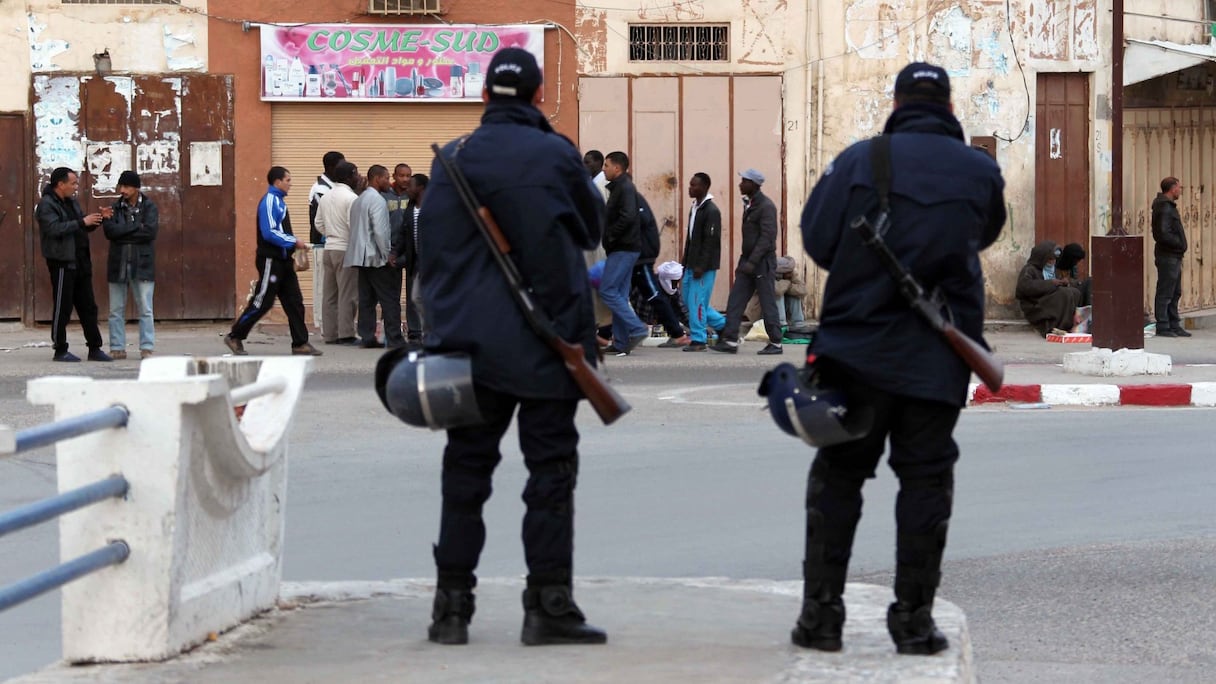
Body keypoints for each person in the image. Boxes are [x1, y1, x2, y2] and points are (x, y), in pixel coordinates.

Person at [796, 62, 1005, 655]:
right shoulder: (980, 170)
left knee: (838, 481)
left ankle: (821, 618)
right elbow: (985, 234)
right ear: (949, 107)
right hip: (936, 359)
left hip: (854, 353)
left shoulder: (862, 159)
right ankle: (913, 622)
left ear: (897, 102)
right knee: (926, 488)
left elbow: (816, 240)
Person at [418, 47, 606, 646]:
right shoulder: (555, 154)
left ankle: (451, 611)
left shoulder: (452, 160)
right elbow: (591, 229)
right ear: (535, 94)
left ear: (482, 96)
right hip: (547, 344)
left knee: (464, 474)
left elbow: (433, 257)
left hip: (466, 350)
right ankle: (548, 606)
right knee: (549, 474)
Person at [225, 166, 322, 357]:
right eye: (288, 180)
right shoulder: (269, 201)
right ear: (277, 182)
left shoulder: (279, 202)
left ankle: (300, 343)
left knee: (295, 302)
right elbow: (269, 232)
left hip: (284, 260)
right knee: (262, 301)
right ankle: (235, 336)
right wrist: (294, 241)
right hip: (271, 260)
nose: (291, 183)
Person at [36, 167, 111, 362]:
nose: (75, 187)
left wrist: (97, 220)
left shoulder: (71, 202)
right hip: (62, 262)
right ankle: (60, 349)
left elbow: (81, 226)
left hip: (81, 262)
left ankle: (95, 348)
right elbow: (53, 229)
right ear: (60, 184)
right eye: (73, 183)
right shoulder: (47, 204)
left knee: (88, 307)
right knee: (63, 307)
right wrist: (81, 222)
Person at [710, 168, 783, 355]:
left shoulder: (766, 206)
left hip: (762, 263)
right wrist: (745, 263)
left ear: (754, 185)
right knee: (736, 300)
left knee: (767, 303)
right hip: (747, 261)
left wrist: (753, 261)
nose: (740, 184)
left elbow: (767, 238)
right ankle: (731, 340)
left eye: (744, 181)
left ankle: (776, 343)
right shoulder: (749, 204)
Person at [346, 164, 405, 349]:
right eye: (387, 178)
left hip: (361, 258)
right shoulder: (378, 200)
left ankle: (367, 337)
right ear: (377, 178)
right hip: (376, 257)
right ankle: (395, 339)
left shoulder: (359, 199)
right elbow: (380, 231)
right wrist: (387, 254)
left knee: (367, 299)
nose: (389, 181)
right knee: (389, 299)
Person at [102, 170, 158, 359]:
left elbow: (150, 233)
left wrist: (122, 232)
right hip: (118, 263)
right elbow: (110, 232)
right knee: (115, 309)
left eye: (126, 186)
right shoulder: (115, 207)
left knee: (145, 308)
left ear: (136, 188)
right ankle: (117, 347)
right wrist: (136, 228)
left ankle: (147, 347)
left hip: (142, 264)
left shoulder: (149, 207)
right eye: (121, 186)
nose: (122, 190)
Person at [600, 151, 650, 355]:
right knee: (619, 293)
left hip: (623, 247)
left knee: (607, 290)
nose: (603, 169)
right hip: (623, 247)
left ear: (617, 168)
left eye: (606, 165)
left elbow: (628, 216)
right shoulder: (619, 187)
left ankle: (637, 328)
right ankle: (620, 342)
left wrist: (611, 235)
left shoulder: (624, 188)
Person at [632, 193, 689, 347]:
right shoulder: (651, 285)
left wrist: (696, 329)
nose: (676, 285)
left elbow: (683, 312)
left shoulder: (673, 291)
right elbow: (638, 310)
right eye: (674, 281)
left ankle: (677, 334)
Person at [315, 161, 360, 345]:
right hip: (345, 249)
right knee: (347, 294)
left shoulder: (326, 196)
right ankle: (346, 333)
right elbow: (354, 225)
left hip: (329, 248)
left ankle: (330, 334)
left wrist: (331, 234)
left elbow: (318, 223)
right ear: (349, 176)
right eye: (356, 174)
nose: (358, 177)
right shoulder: (351, 198)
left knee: (330, 294)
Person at [681, 172, 727, 352]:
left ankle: (698, 339)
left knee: (696, 302)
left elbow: (711, 241)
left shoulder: (711, 211)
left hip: (703, 267)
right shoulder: (694, 208)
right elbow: (690, 239)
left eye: (694, 185)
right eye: (690, 185)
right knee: (689, 300)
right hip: (690, 265)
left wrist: (701, 265)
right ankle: (723, 326)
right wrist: (685, 263)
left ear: (705, 187)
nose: (690, 188)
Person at [309, 151, 345, 329]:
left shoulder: (334, 188)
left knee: (336, 290)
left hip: (333, 244)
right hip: (324, 245)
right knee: (325, 290)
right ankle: (325, 326)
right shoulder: (320, 190)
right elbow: (320, 221)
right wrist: (329, 236)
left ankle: (333, 326)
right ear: (331, 167)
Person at [1151, 177, 1191, 337]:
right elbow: (1163, 233)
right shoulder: (1165, 208)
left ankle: (1174, 323)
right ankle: (1163, 325)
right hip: (1168, 255)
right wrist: (1179, 244)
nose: (1180, 190)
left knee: (1175, 291)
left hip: (1173, 255)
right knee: (1166, 291)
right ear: (1172, 188)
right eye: (1179, 188)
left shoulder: (1168, 207)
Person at [391, 173, 427, 345]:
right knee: (415, 297)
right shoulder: (411, 207)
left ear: (420, 188)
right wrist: (394, 253)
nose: (408, 188)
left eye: (411, 185)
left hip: (431, 261)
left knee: (424, 297)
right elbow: (404, 233)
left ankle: (431, 331)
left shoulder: (433, 206)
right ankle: (416, 332)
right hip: (415, 260)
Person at [1016, 241, 1081, 336]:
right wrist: (1051, 283)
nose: (1052, 261)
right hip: (1035, 302)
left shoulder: (1054, 269)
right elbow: (1024, 287)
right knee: (1063, 294)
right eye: (1050, 259)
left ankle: (1069, 325)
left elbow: (1058, 283)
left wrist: (1064, 282)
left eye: (1054, 259)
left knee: (1074, 292)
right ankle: (1055, 326)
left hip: (1050, 296)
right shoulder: (1030, 269)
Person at [1054, 242, 1091, 307]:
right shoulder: (1054, 264)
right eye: (1076, 260)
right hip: (1060, 292)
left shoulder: (1072, 266)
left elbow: (1074, 280)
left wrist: (1071, 282)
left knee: (1090, 281)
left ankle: (1089, 309)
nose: (1076, 263)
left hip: (1072, 288)